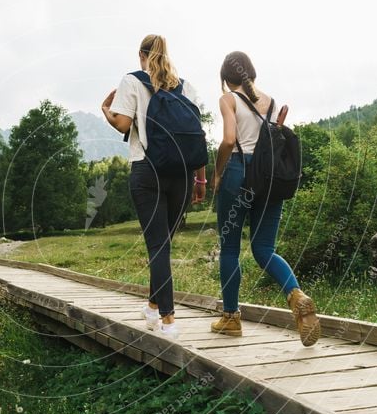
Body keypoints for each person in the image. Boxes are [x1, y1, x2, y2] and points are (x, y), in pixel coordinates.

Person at [211, 51, 320, 346]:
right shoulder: (271, 102)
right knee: (264, 249)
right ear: (252, 74)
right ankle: (296, 293)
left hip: (239, 173)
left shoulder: (228, 99)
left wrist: (217, 172)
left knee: (230, 248)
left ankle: (231, 317)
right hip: (269, 178)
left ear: (225, 78)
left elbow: (229, 140)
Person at [101, 34, 207, 339]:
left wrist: (106, 110)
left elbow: (122, 124)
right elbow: (196, 136)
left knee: (158, 245)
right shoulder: (186, 87)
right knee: (162, 243)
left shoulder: (132, 81)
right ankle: (151, 306)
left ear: (141, 55)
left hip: (148, 171)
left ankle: (169, 321)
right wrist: (200, 179)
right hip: (185, 174)